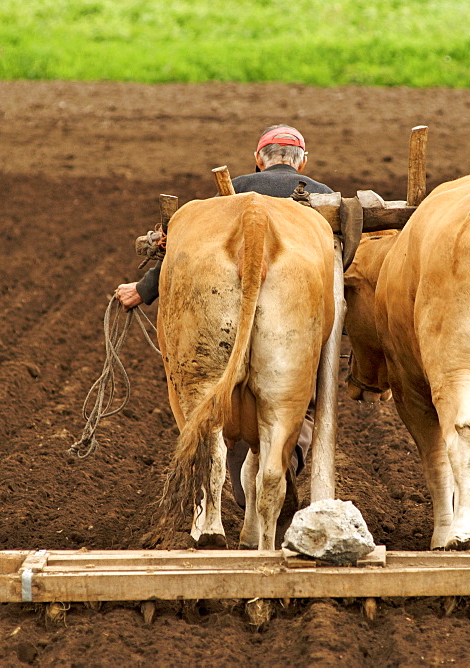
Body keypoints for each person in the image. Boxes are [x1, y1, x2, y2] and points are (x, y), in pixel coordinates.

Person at [115, 125, 333, 512]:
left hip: (219, 307)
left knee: (211, 383)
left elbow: (187, 256)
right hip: (295, 306)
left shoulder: (229, 192)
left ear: (258, 159)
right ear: (303, 161)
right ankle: (286, 465)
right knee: (304, 396)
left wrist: (143, 289)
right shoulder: (325, 197)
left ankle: (231, 485)